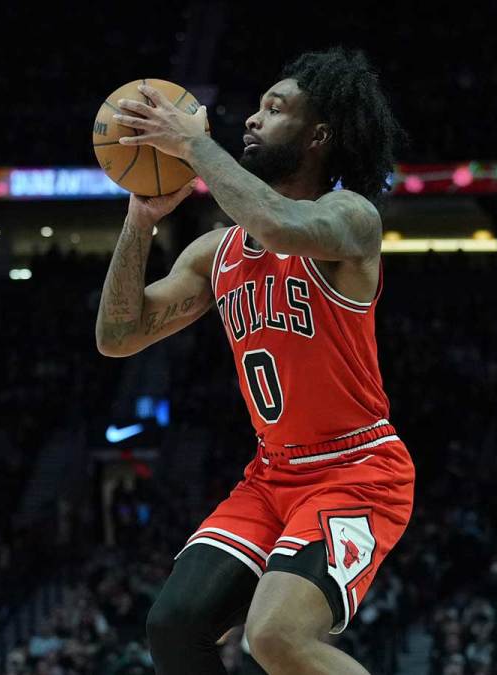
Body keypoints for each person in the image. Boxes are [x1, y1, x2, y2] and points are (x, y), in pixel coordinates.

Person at [95, 47, 411, 675]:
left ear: (318, 135)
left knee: (275, 638)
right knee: (174, 626)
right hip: (272, 476)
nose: (251, 120)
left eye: (275, 109)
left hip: (356, 471)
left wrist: (192, 148)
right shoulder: (216, 251)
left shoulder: (351, 219)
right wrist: (141, 218)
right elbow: (118, 334)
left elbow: (280, 225)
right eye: (257, 107)